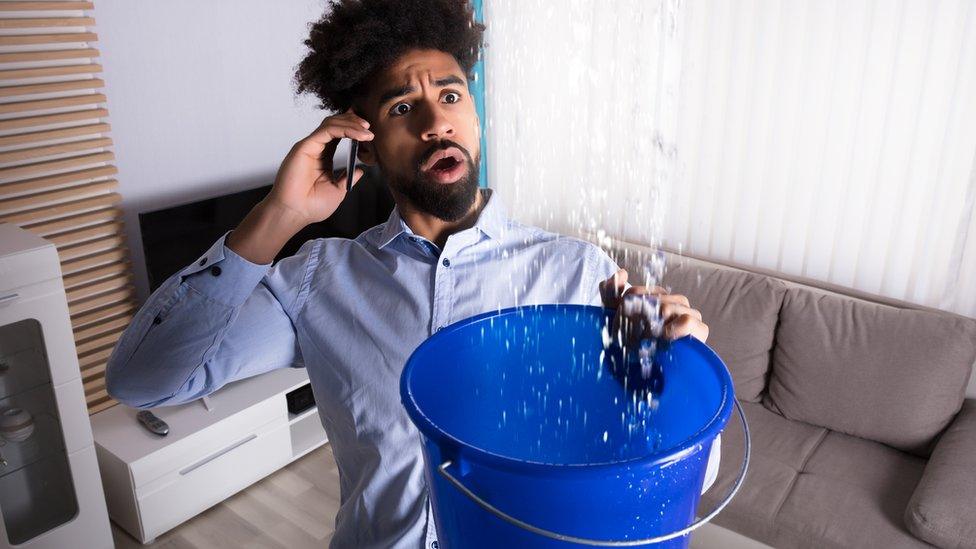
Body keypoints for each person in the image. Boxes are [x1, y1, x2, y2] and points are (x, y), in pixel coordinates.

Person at [105, 0, 710, 547]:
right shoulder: (319, 281)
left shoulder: (576, 274)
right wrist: (277, 215)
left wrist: (667, 373)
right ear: (362, 145)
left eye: (450, 97)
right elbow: (142, 381)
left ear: (473, 113)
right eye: (403, 107)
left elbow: (690, 475)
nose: (435, 123)